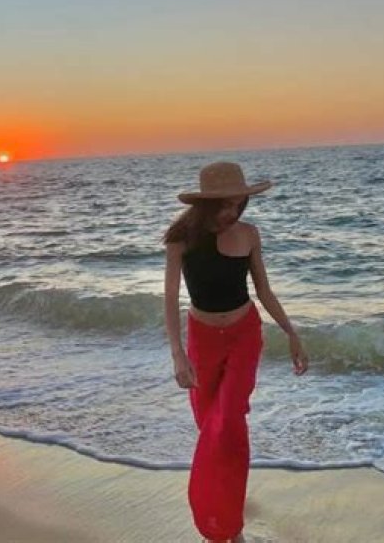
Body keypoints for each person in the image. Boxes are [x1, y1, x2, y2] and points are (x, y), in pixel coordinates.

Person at [162, 161, 309, 543]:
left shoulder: (249, 234)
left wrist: (291, 332)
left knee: (228, 424)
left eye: (237, 204)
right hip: (202, 339)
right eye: (224, 205)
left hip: (245, 334)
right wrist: (178, 354)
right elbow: (170, 299)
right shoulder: (181, 239)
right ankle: (226, 518)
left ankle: (226, 527)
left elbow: (264, 290)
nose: (232, 211)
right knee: (209, 427)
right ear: (206, 205)